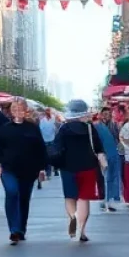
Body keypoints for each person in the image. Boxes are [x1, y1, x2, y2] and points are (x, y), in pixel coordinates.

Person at [0, 97, 49, 245]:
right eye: (14, 109)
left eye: (20, 109)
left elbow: (41, 149)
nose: (17, 111)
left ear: (26, 110)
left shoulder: (32, 128)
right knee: (12, 192)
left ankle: (21, 229)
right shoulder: (4, 128)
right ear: (11, 111)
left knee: (24, 199)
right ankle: (14, 230)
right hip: (8, 168)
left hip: (29, 170)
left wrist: (42, 168)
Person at [52, 99, 106, 243]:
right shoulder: (89, 128)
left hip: (67, 167)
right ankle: (81, 230)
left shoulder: (64, 129)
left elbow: (56, 148)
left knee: (70, 196)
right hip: (88, 167)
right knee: (84, 198)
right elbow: (99, 147)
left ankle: (73, 217)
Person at [95, 109, 121, 211]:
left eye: (109, 114)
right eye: (105, 114)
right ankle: (102, 199)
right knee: (102, 178)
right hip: (102, 155)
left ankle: (110, 201)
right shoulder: (96, 127)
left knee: (113, 177)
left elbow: (118, 138)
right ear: (101, 115)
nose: (107, 116)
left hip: (114, 154)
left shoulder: (114, 126)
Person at [37, 108, 58, 179]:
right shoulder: (52, 119)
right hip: (50, 140)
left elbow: (40, 130)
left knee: (46, 156)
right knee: (51, 156)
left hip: (45, 140)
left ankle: (49, 171)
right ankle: (53, 171)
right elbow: (55, 129)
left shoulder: (42, 120)